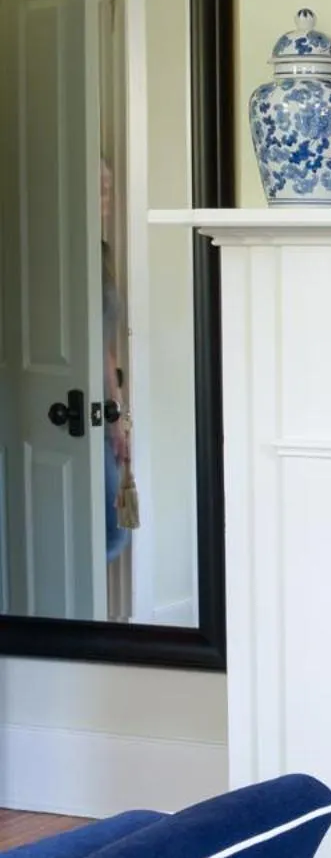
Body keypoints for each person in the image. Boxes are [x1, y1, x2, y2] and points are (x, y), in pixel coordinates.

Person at [100, 159, 131, 567]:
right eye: (99, 188)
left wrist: (118, 415)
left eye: (108, 187)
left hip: (99, 406)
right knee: (111, 534)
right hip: (71, 406)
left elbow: (104, 342)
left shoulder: (101, 253)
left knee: (116, 531)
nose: (107, 197)